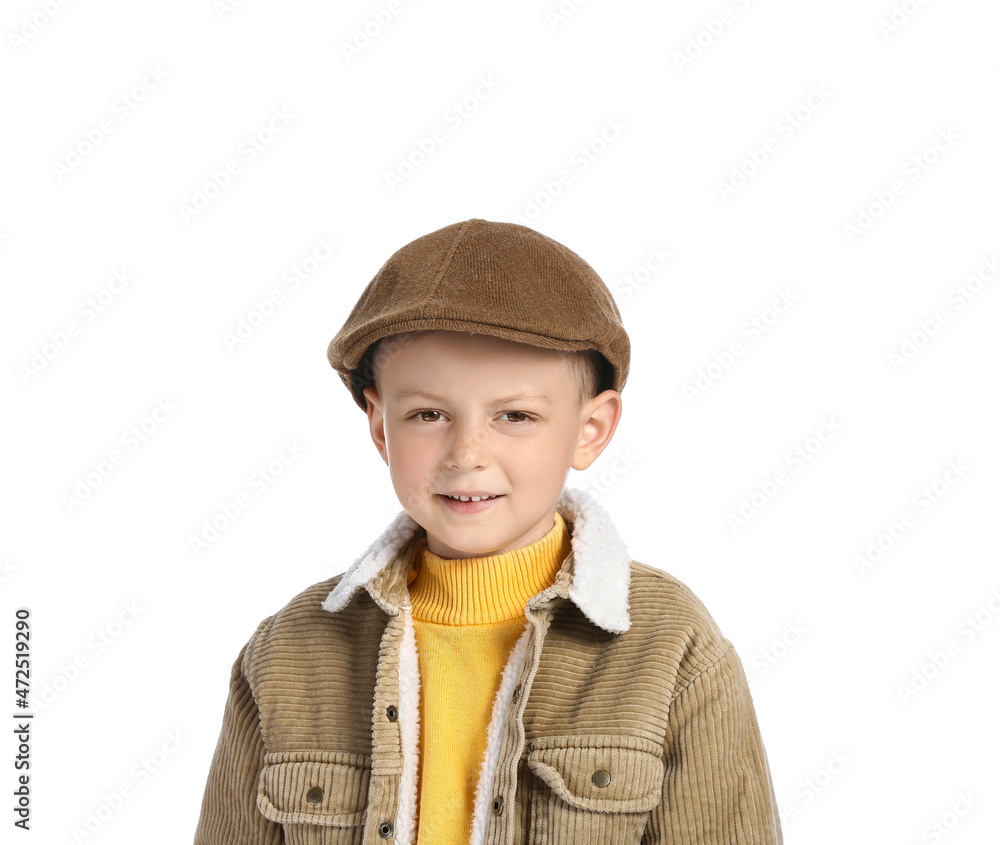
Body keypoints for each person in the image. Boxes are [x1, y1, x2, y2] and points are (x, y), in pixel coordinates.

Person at [193, 218, 784, 845]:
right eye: (428, 414)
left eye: (516, 416)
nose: (467, 454)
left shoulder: (669, 645)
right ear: (380, 426)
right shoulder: (288, 651)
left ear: (590, 430)